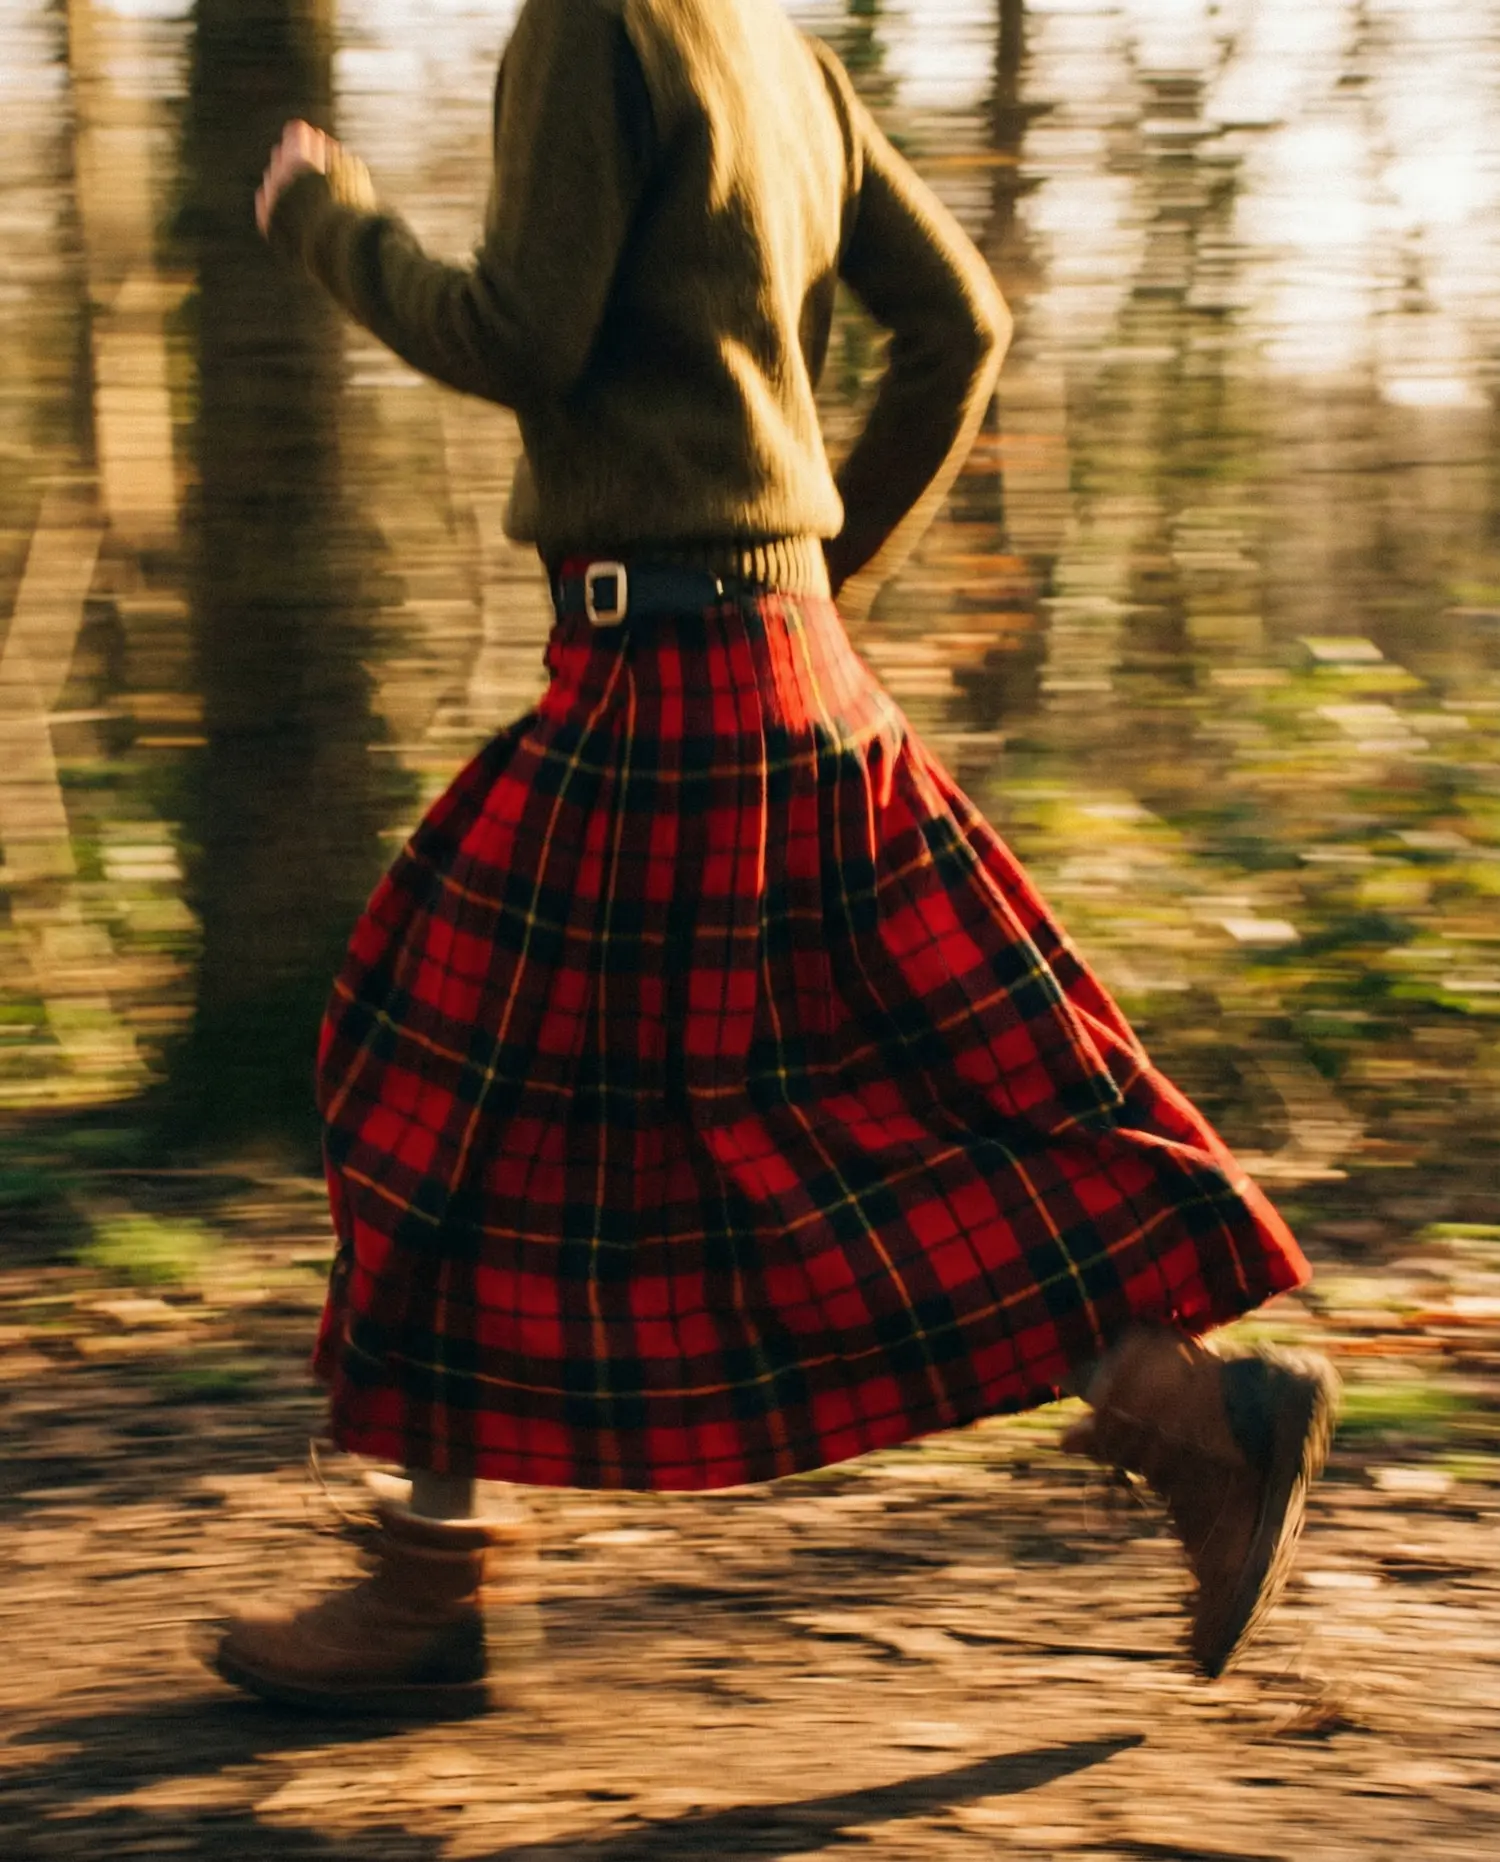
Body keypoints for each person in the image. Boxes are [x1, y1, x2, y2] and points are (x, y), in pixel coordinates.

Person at [215, 0, 1338, 1717]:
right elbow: (959, 324)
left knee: (423, 1075)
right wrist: (825, 569)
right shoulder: (774, 52)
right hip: (793, 666)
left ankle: (431, 1588)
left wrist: (325, 218)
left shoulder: (594, 23)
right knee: (890, 1096)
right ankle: (1193, 1404)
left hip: (664, 663)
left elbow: (520, 331)